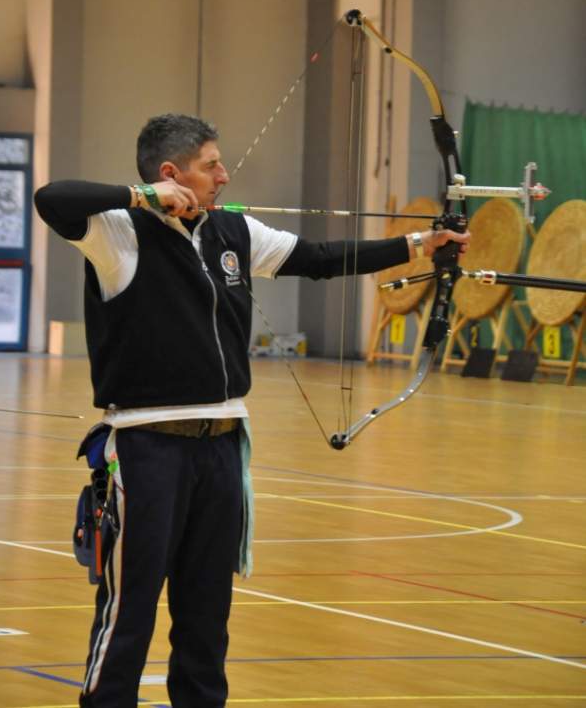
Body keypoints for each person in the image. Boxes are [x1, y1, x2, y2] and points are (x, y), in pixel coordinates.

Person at [34, 112, 469, 708]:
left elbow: (319, 257)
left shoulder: (230, 234)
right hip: (145, 448)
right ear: (172, 173)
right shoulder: (119, 232)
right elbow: (51, 198)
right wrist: (141, 197)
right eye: (211, 164)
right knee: (129, 607)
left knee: (207, 614)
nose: (224, 174)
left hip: (220, 447)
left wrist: (419, 244)